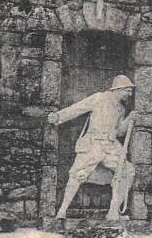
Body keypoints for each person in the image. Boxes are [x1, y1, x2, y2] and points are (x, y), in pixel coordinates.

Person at [47, 74, 138, 219]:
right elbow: (78, 108)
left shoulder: (120, 108)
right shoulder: (99, 98)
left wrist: (128, 120)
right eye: (127, 90)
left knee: (128, 171)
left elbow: (120, 131)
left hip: (110, 146)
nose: (130, 94)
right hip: (93, 144)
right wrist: (58, 117)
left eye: (130, 91)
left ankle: (113, 211)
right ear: (118, 89)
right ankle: (62, 211)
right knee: (77, 174)